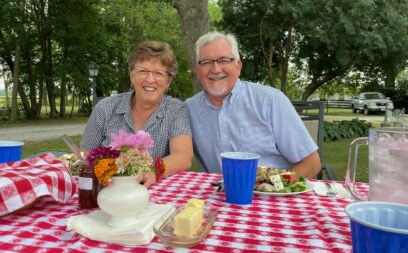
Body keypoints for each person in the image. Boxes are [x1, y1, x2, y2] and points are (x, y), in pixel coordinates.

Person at [185, 31, 321, 178]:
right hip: (218, 197)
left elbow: (311, 163)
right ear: (197, 71)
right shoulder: (189, 109)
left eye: (223, 60)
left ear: (238, 66)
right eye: (206, 62)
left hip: (272, 195)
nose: (216, 69)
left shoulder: (270, 101)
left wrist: (272, 189)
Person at [81, 41, 193, 187]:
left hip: (153, 197)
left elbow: (184, 156)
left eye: (158, 73)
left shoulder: (176, 109)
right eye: (143, 71)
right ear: (132, 75)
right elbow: (84, 155)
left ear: (168, 81)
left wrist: (153, 171)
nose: (150, 79)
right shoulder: (105, 108)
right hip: (107, 191)